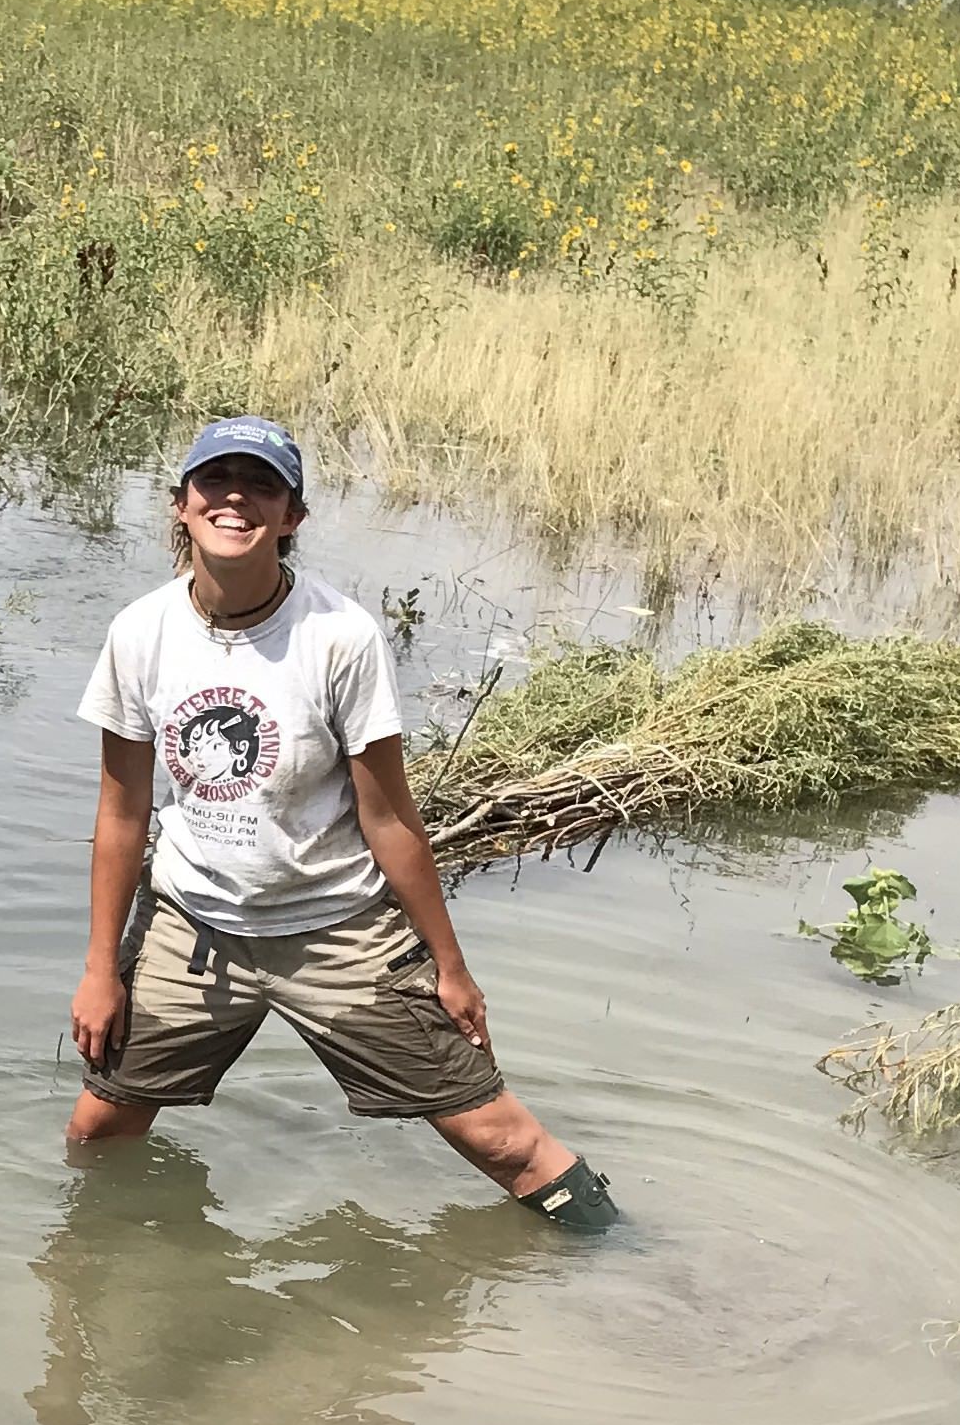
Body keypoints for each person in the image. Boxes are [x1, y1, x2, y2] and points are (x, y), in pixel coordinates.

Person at [65, 416, 616, 1231]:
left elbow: (389, 817)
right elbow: (121, 814)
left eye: (262, 487)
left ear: (292, 519)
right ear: (181, 505)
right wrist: (100, 969)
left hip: (336, 931)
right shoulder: (140, 633)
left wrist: (450, 965)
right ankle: (100, 1275)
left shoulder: (339, 637)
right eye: (216, 482)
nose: (235, 499)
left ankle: (630, 1264)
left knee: (500, 1139)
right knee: (97, 1131)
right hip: (194, 931)